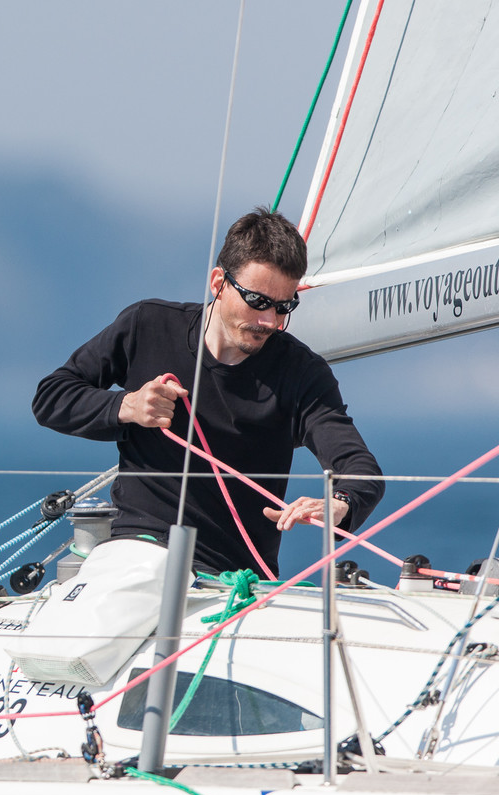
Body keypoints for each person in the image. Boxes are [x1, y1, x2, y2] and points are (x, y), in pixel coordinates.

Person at [32, 207, 382, 579]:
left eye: (284, 306)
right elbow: (51, 397)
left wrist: (339, 503)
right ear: (218, 283)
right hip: (136, 553)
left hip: (235, 578)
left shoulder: (301, 373)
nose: (270, 322)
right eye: (259, 301)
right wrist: (127, 405)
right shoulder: (147, 325)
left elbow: (361, 469)